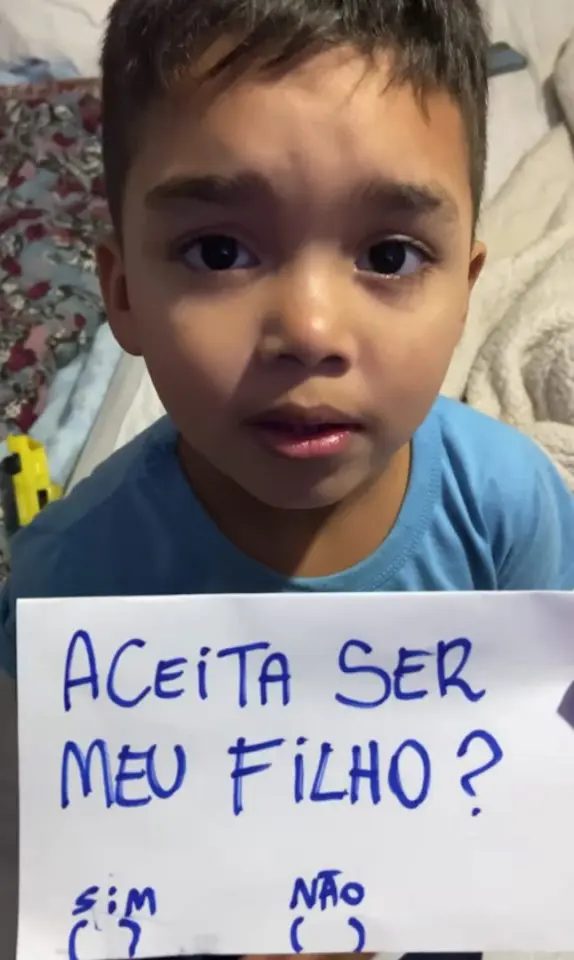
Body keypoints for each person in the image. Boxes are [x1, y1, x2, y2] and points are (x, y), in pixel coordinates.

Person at [1, 0, 573, 680]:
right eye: (217, 253)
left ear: (465, 296)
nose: (309, 332)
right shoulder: (68, 581)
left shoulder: (511, 507)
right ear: (123, 295)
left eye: (390, 257)